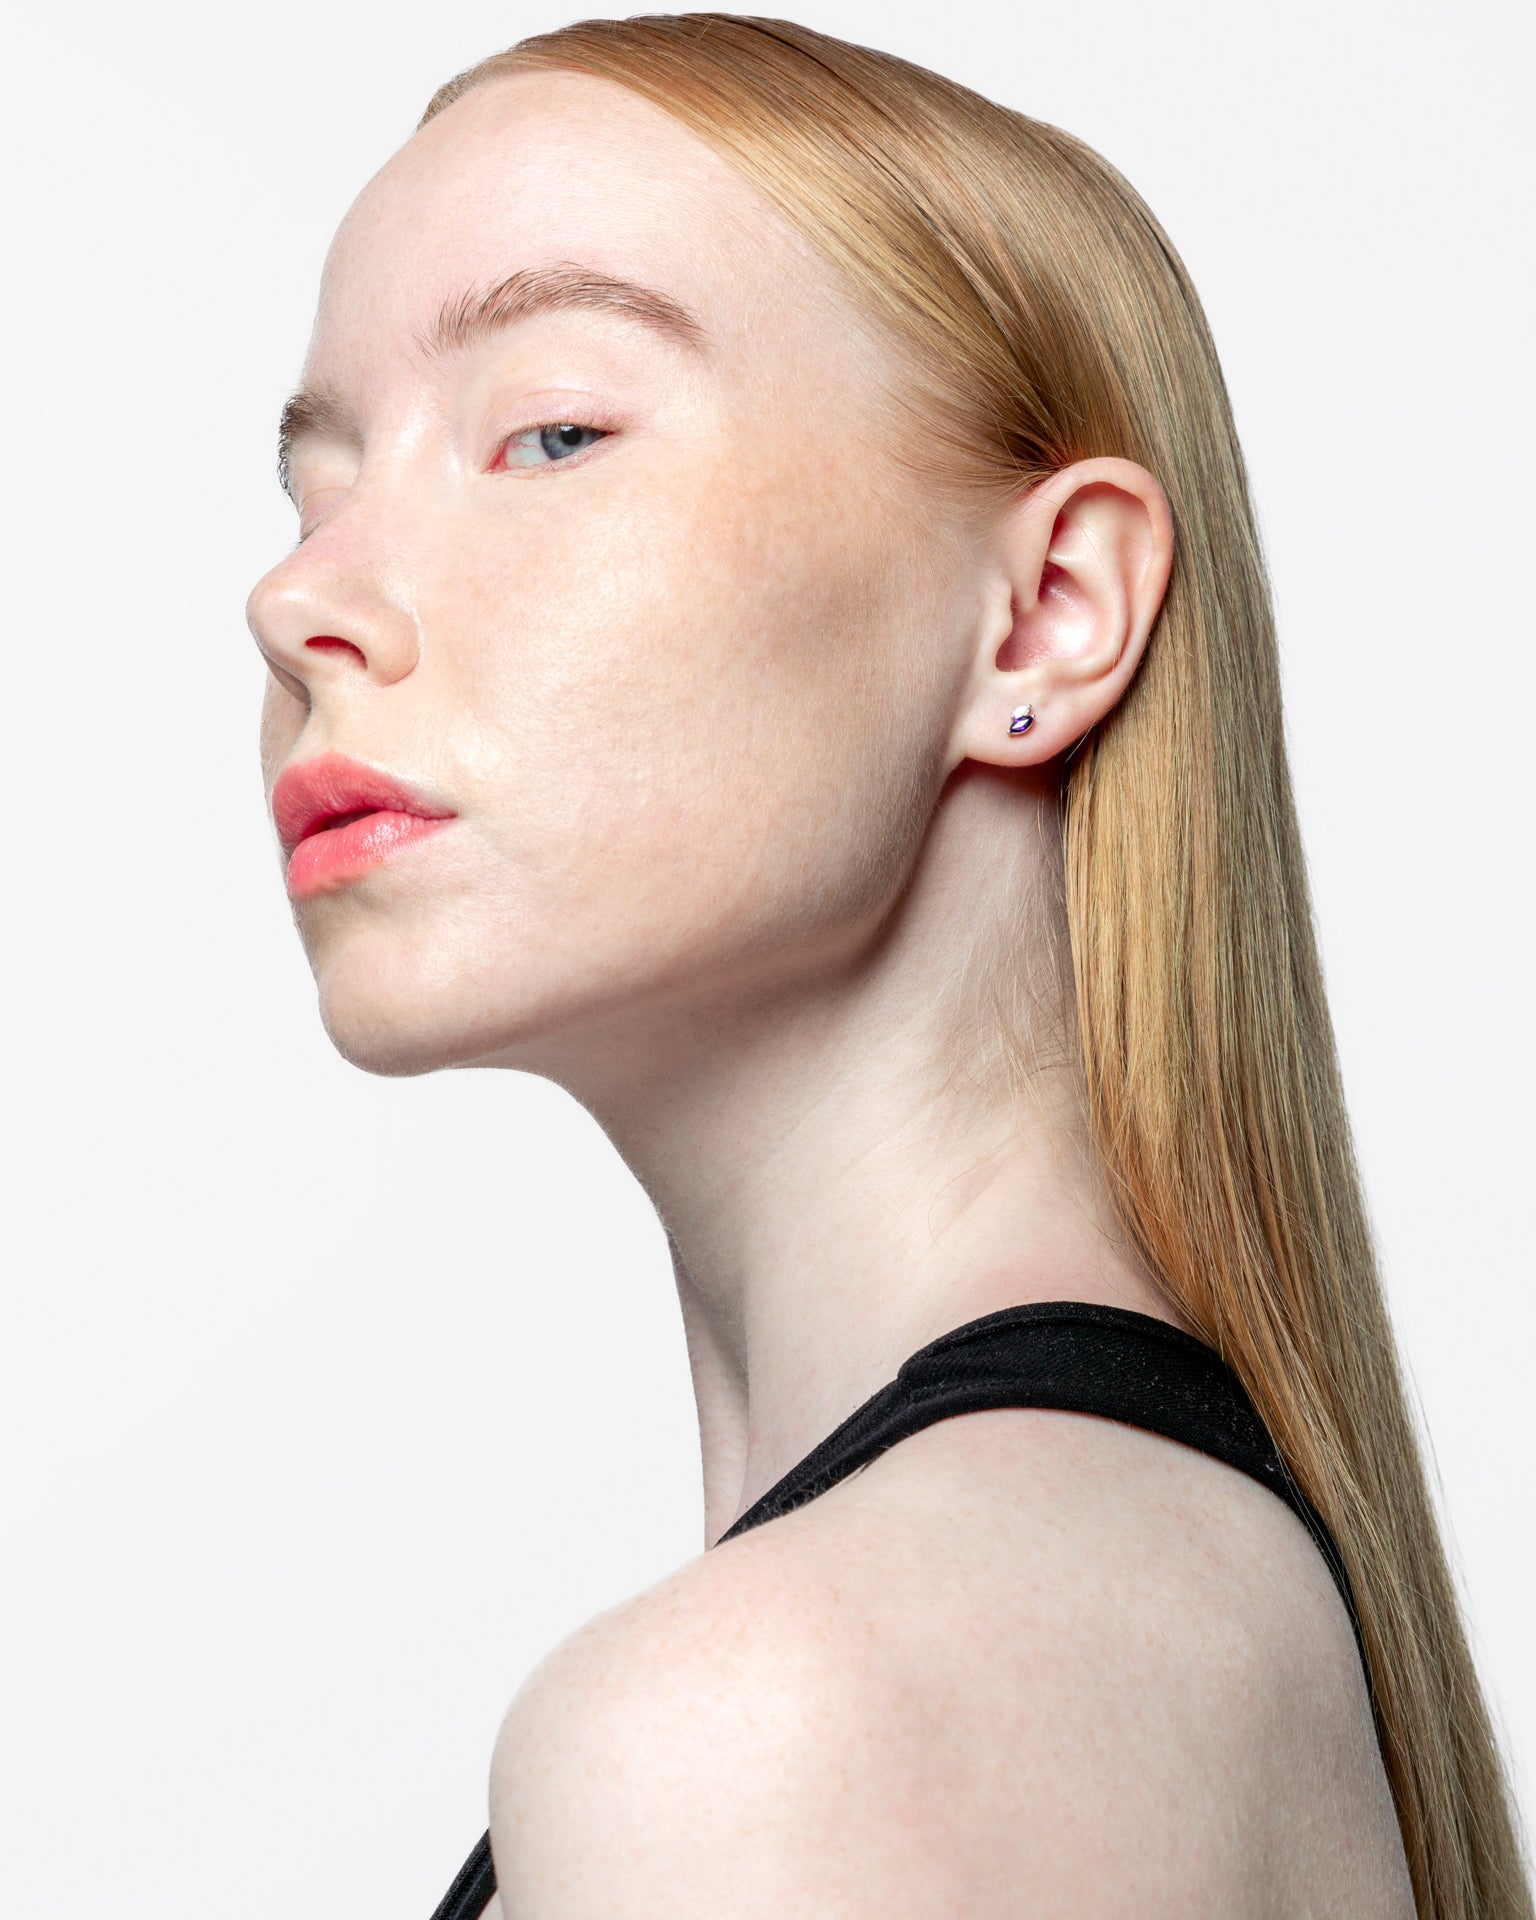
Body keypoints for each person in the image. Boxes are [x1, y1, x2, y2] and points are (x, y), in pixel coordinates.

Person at [246, 14, 1530, 1918]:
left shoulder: (770, 1725)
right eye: (317, 487)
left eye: (554, 431)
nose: (296, 599)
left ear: (1049, 614)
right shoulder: (1166, 1595)